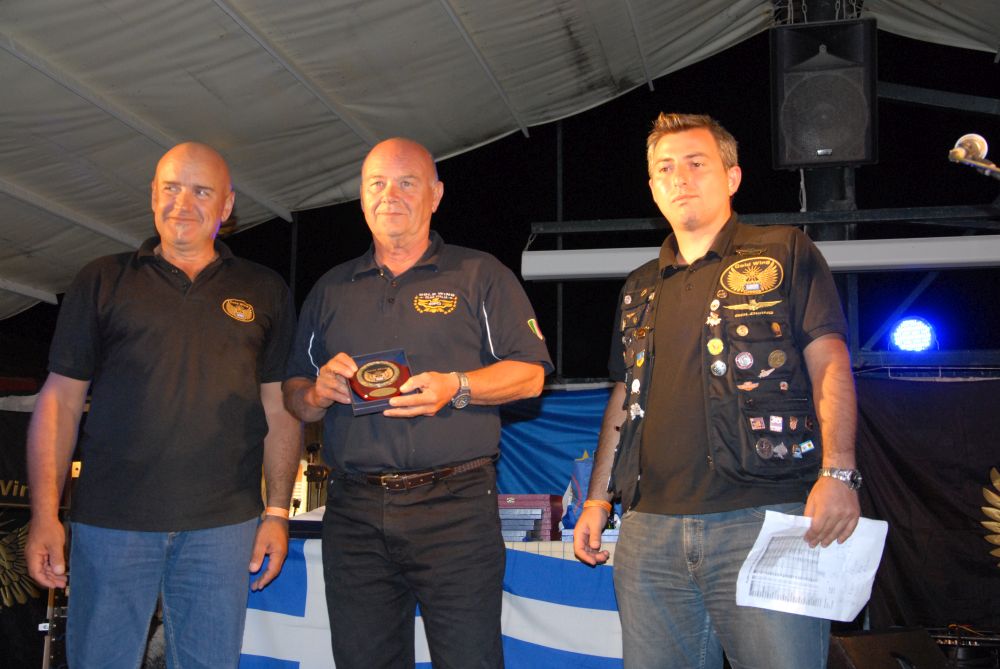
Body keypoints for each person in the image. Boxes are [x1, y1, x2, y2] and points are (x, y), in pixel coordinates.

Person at [573, 113, 860, 668]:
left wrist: (839, 473)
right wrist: (596, 499)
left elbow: (830, 361)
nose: (679, 178)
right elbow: (625, 397)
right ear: (652, 188)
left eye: (695, 163)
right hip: (648, 531)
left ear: (732, 177)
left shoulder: (784, 251)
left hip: (764, 516)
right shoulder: (639, 286)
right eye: (665, 169)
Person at [25, 142, 302, 668]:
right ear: (153, 195)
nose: (183, 203)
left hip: (223, 528)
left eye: (201, 191)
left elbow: (279, 407)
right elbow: (59, 401)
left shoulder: (264, 289)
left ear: (226, 205)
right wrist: (45, 514)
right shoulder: (102, 280)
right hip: (110, 525)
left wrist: (276, 512)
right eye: (171, 188)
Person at [283, 137, 552, 668]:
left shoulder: (480, 274)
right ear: (362, 197)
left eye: (407, 182)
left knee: (471, 660)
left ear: (436, 194)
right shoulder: (331, 289)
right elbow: (295, 395)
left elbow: (530, 376)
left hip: (456, 508)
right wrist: (315, 393)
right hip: (354, 512)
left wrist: (457, 386)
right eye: (377, 184)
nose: (390, 195)